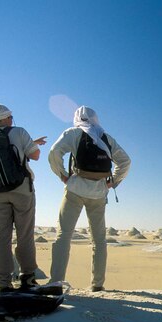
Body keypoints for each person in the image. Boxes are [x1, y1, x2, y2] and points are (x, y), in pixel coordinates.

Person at [48, 106, 130, 291]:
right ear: (95, 118)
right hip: (99, 193)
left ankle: (55, 283)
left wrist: (62, 175)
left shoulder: (74, 133)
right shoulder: (105, 137)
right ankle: (97, 285)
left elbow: (54, 152)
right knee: (99, 240)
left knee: (64, 236)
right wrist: (112, 183)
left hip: (75, 190)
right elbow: (126, 161)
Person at [0, 104, 47, 291]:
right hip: (21, 189)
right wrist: (32, 144)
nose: (12, 119)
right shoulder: (19, 132)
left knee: (1, 236)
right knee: (24, 235)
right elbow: (35, 155)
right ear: (5, 118)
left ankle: (3, 281)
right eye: (10, 116)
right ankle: (27, 277)